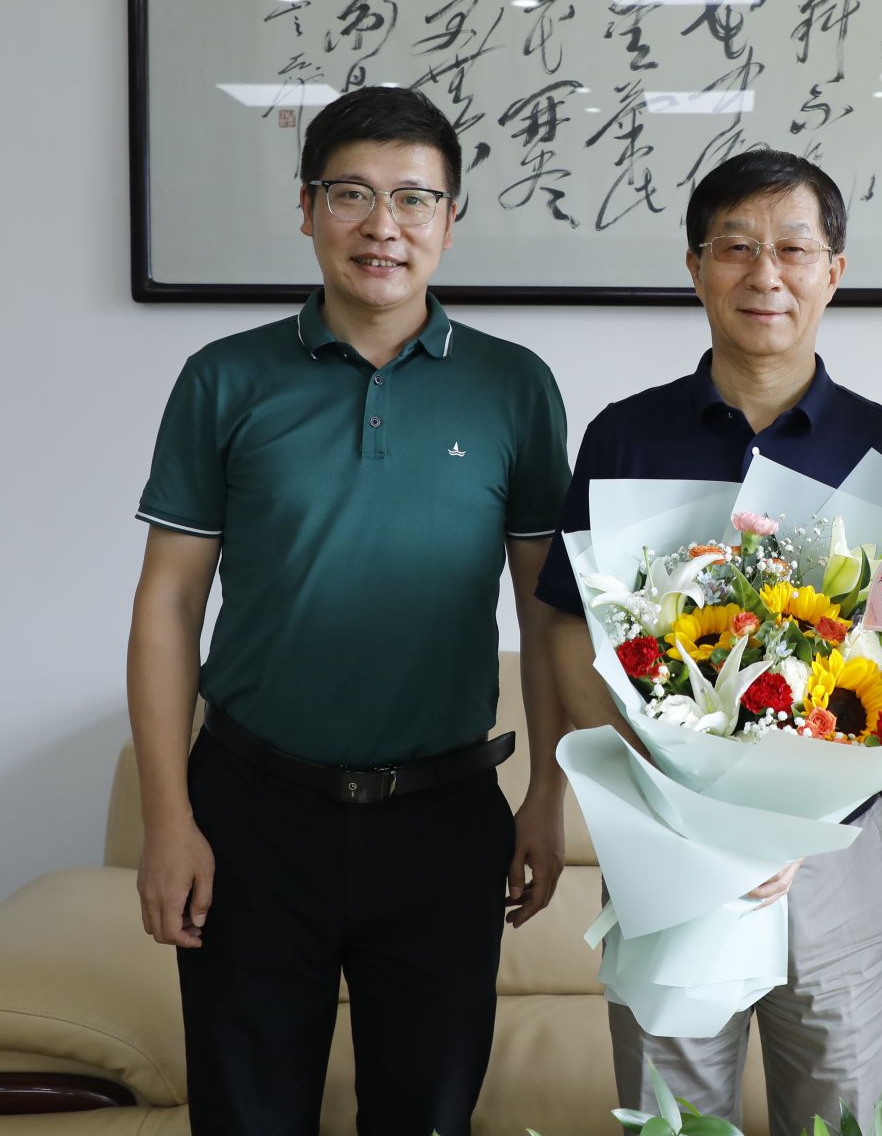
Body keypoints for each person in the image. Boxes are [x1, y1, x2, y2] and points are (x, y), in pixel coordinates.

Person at [126, 86, 572, 1136]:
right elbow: (167, 606)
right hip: (250, 810)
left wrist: (548, 794)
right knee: (245, 1117)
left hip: (444, 817)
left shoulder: (514, 387)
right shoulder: (224, 379)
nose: (384, 226)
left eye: (414, 199)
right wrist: (168, 819)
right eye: (352, 195)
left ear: (451, 220)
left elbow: (546, 613)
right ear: (306, 208)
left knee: (427, 1115)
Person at [537, 148, 882, 1136]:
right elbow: (567, 631)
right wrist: (671, 801)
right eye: (735, 248)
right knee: (672, 1116)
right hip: (665, 834)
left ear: (832, 271)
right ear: (695, 267)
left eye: (793, 249)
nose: (766, 274)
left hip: (836, 850)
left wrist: (794, 821)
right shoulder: (626, 440)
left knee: (840, 1117)